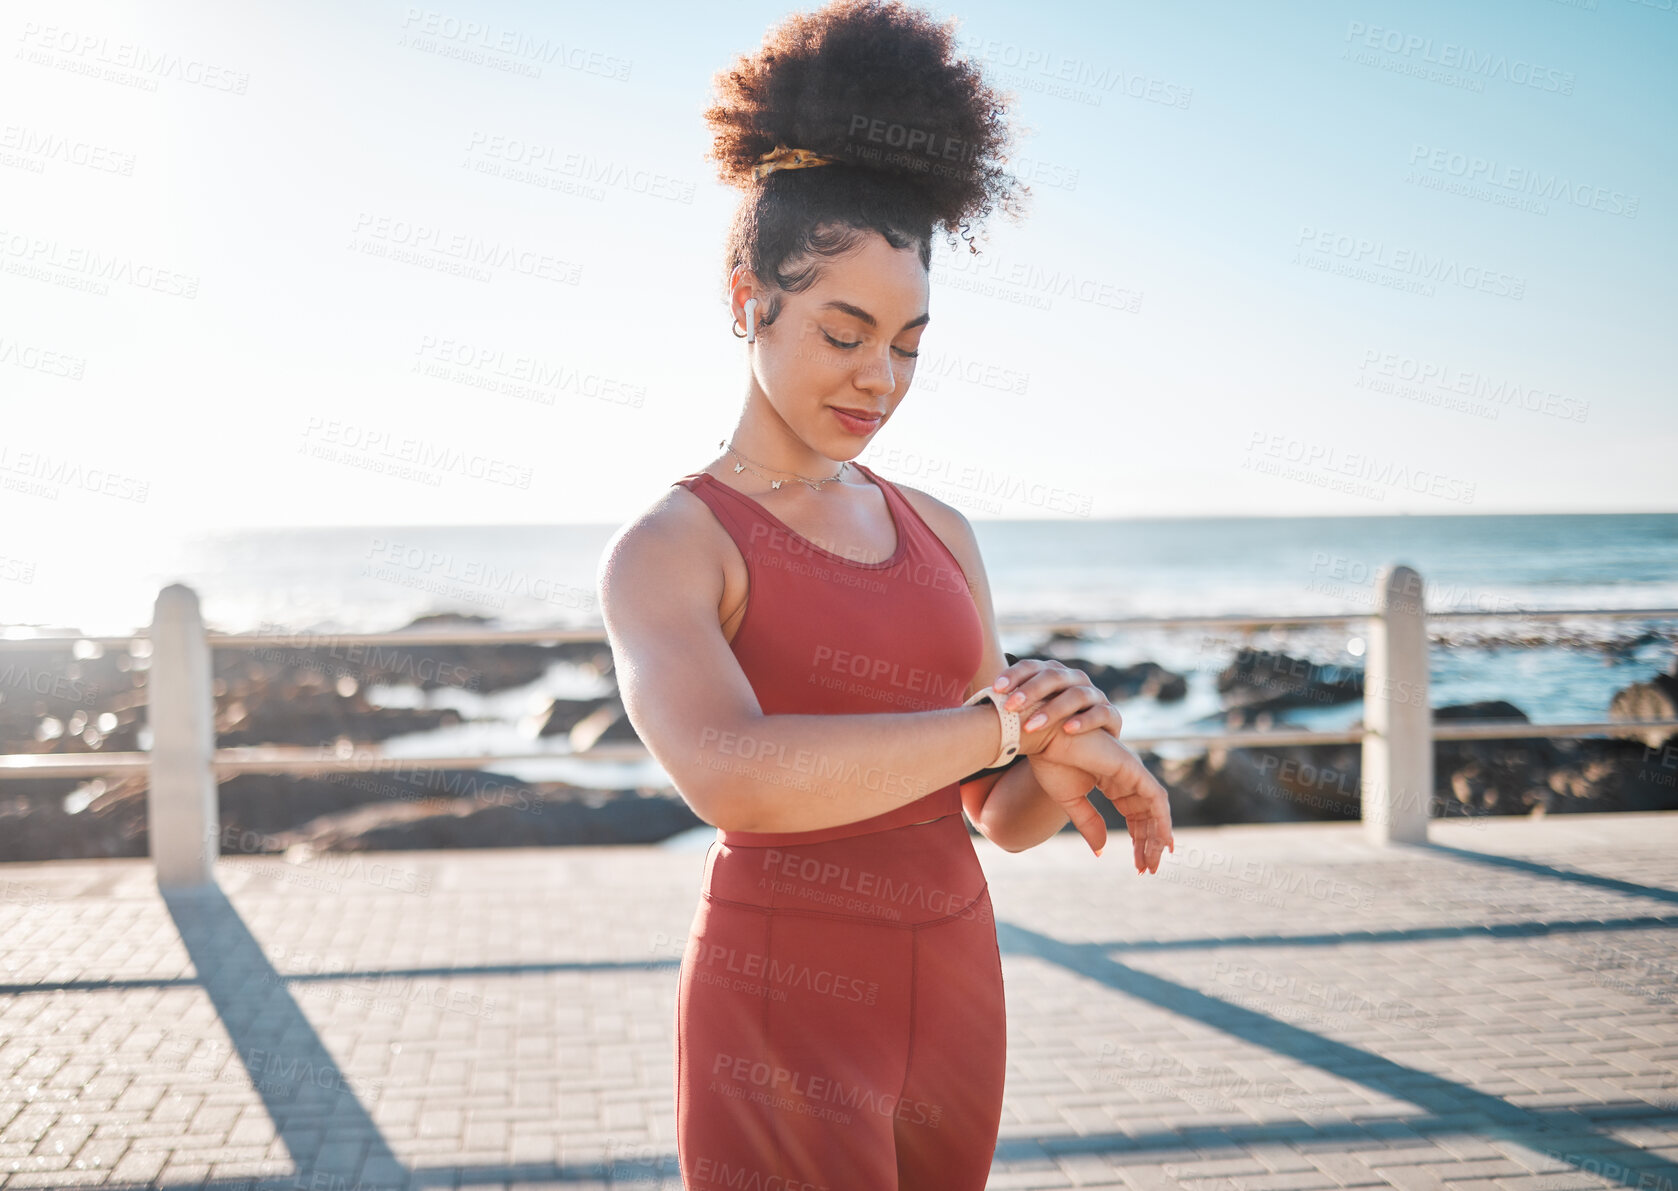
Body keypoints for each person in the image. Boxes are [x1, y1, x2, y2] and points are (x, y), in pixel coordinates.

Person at [596, 2, 1175, 1185]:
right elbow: (731, 775)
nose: (880, 378)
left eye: (909, 342)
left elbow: (995, 815)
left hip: (958, 978)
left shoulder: (941, 531)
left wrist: (1064, 745)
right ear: (747, 297)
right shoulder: (672, 545)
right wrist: (1001, 725)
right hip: (782, 1003)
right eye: (844, 331)